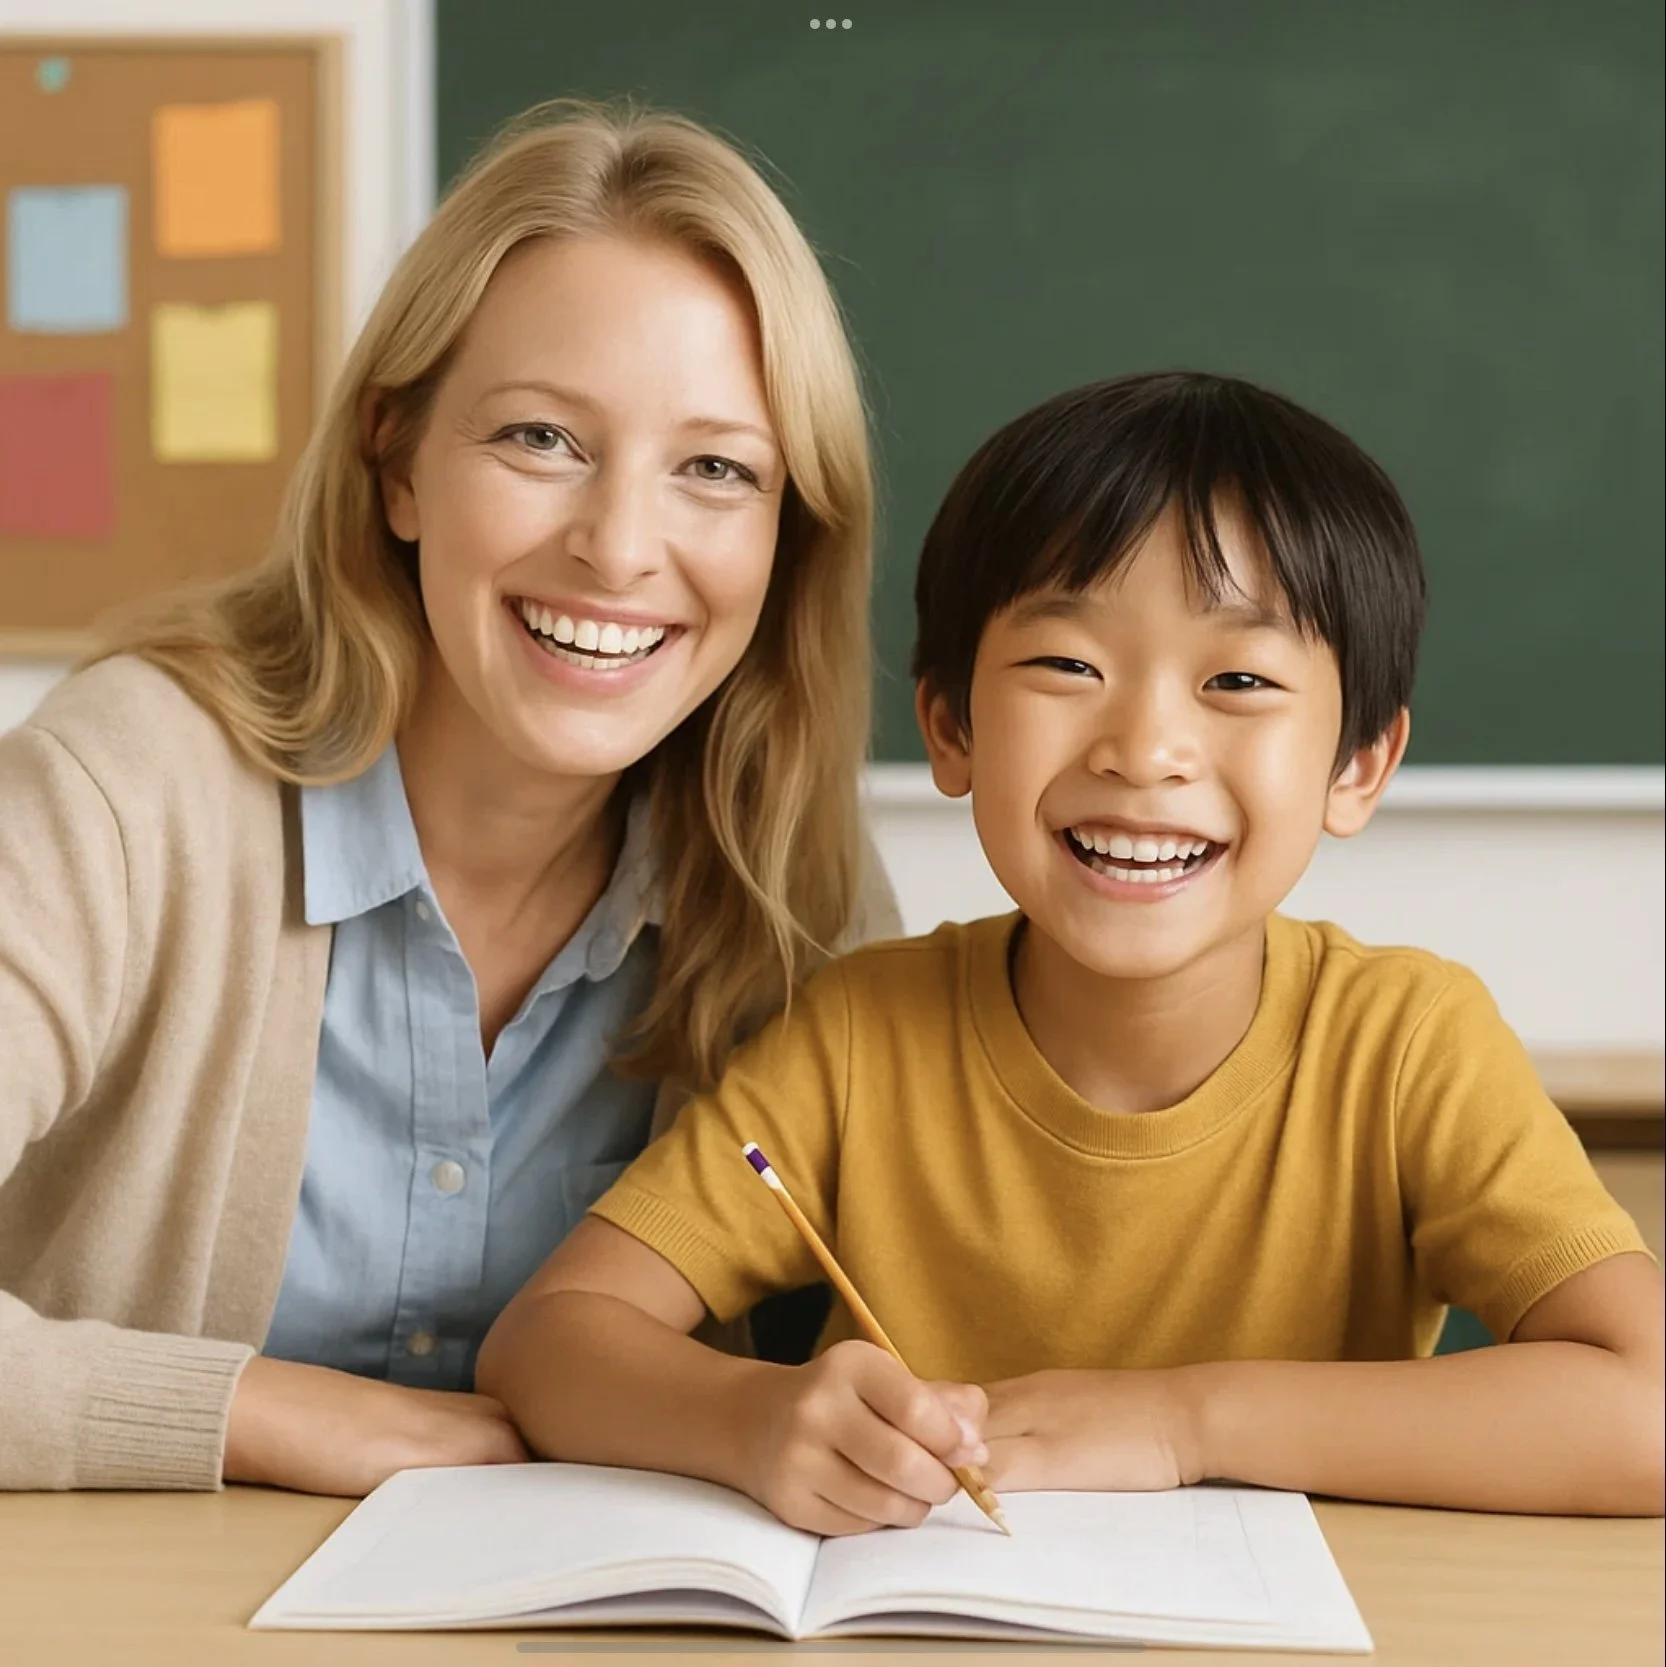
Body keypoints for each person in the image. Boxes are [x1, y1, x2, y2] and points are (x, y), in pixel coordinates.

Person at [477, 370, 1663, 1533]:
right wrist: (755, 1416)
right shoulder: (856, 1033)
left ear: (1356, 764)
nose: (1144, 748)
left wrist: (1182, 1422)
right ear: (950, 726)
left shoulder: (1408, 1045)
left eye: (1238, 680)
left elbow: (1646, 1404)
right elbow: (549, 1340)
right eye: (1066, 666)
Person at [0, 101, 899, 1495]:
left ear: (788, 538)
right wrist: (263, 1412)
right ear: (397, 459)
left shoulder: (794, 880)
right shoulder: (130, 789)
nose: (616, 547)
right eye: (541, 438)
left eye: (715, 469)